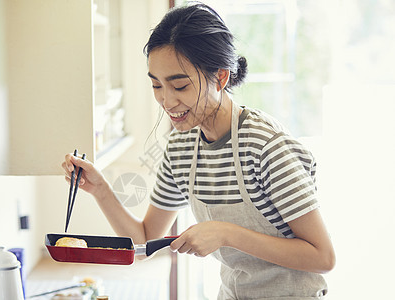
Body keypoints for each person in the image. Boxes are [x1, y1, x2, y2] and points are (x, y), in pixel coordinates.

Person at [62, 3, 335, 299]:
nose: (166, 101)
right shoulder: (180, 149)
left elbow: (322, 257)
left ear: (220, 77)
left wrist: (226, 233)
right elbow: (144, 242)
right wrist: (100, 189)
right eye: (156, 86)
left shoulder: (264, 145)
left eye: (179, 86)